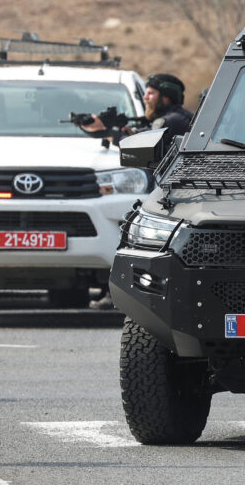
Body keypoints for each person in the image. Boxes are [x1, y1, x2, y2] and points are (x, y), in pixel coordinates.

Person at [87, 73, 193, 310]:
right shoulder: (175, 118)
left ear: (166, 97)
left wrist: (111, 134)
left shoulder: (171, 121)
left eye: (151, 93)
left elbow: (146, 151)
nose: (145, 97)